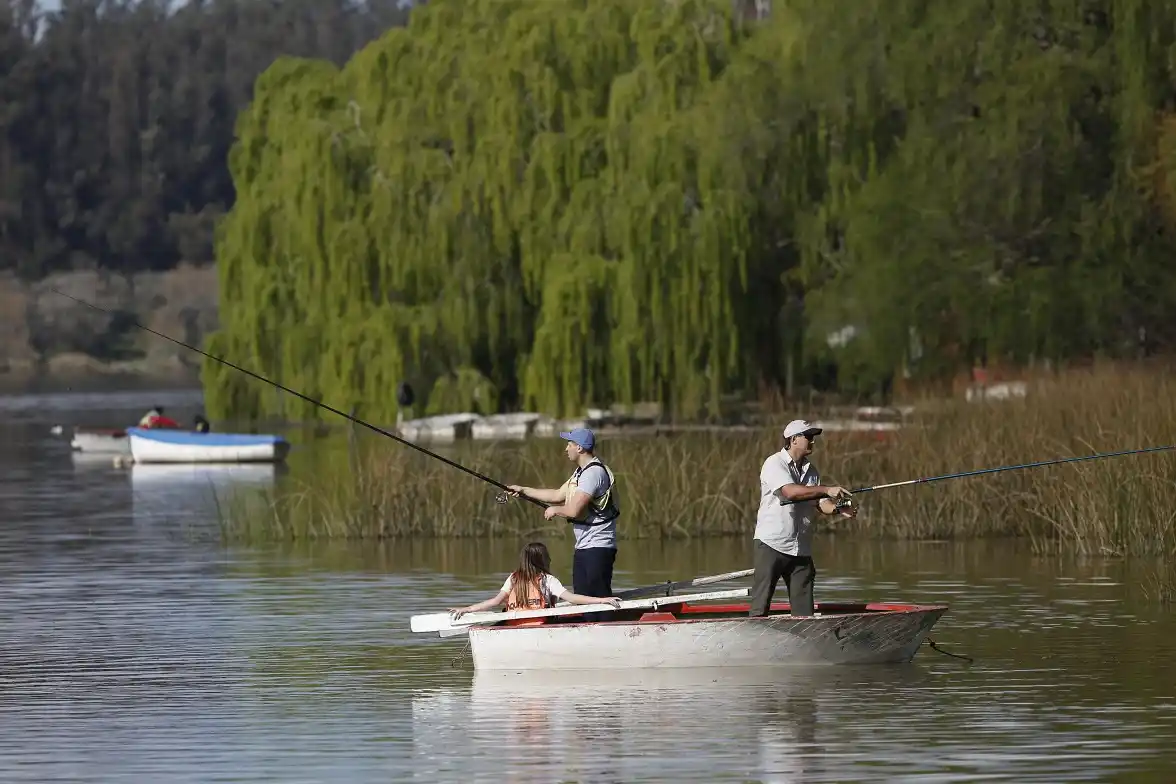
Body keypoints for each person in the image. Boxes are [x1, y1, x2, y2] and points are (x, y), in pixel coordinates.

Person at [750, 419, 857, 618]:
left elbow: (819, 503)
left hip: (801, 549)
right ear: (793, 439)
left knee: (804, 613)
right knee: (760, 606)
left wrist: (837, 509)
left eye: (813, 437)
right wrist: (826, 489)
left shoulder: (811, 471)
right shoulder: (774, 463)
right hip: (771, 544)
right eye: (808, 437)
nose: (812, 441)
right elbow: (790, 492)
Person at [506, 428, 620, 600]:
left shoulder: (593, 474)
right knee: (584, 599)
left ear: (579, 448)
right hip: (584, 546)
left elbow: (574, 510)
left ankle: (606, 624)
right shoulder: (581, 472)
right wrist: (523, 490)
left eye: (569, 444)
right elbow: (557, 495)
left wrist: (555, 510)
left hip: (598, 546)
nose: (566, 449)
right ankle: (588, 625)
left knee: (599, 599)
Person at [448, 542, 621, 624]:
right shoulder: (547, 580)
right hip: (541, 626)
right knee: (582, 620)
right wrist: (601, 600)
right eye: (547, 557)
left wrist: (467, 609)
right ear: (542, 561)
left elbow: (495, 601)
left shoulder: (513, 578)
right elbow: (573, 598)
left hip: (514, 626)